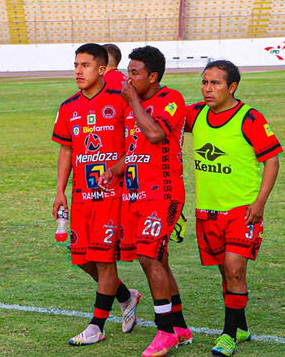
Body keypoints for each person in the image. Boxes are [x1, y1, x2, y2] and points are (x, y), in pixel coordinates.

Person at [185, 60, 282, 357]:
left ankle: (228, 336)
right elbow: (163, 122)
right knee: (225, 273)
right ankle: (240, 326)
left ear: (232, 87)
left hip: (242, 211)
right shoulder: (196, 115)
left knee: (235, 269)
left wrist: (259, 203)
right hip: (208, 211)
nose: (207, 89)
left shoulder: (249, 118)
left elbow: (272, 161)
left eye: (215, 83)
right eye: (204, 82)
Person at [101, 46, 192, 356]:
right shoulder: (133, 106)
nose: (129, 78)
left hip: (164, 193)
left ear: (153, 77)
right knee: (159, 258)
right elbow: (136, 150)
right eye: (128, 71)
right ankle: (179, 326)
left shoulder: (171, 99)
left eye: (135, 73)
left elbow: (154, 135)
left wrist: (132, 101)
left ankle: (164, 330)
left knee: (148, 256)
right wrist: (114, 170)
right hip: (136, 194)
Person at [51, 43, 141, 346]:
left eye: (85, 65)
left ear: (102, 70)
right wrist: (60, 191)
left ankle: (97, 326)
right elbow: (66, 149)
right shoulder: (67, 106)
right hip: (81, 197)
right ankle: (127, 297)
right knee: (81, 258)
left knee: (104, 261)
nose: (78, 71)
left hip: (112, 195)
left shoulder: (120, 101)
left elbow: (136, 143)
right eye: (76, 64)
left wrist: (118, 167)